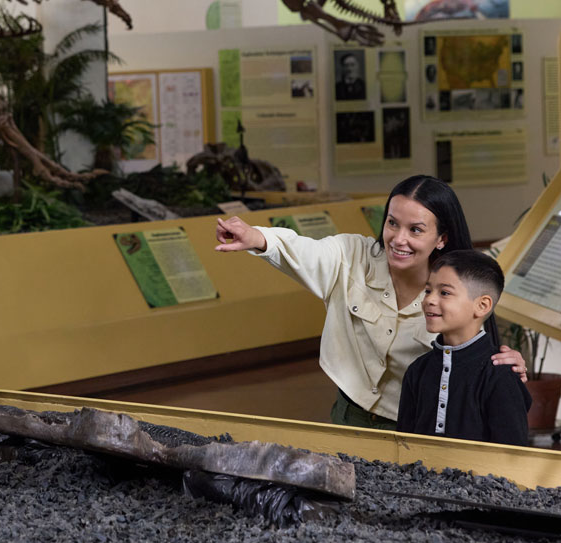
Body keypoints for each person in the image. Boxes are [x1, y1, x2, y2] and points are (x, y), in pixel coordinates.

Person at [214, 175, 525, 429]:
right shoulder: (352, 256)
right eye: (392, 223)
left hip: (413, 427)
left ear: (441, 238)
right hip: (348, 418)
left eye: (415, 230)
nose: (398, 239)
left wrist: (508, 365)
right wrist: (257, 238)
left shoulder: (460, 288)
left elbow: (478, 350)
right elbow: (303, 250)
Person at [396, 250, 532, 445]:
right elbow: (403, 445)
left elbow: (512, 457)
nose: (429, 300)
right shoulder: (417, 371)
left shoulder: (500, 375)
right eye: (428, 291)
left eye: (444, 292)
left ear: (482, 306)